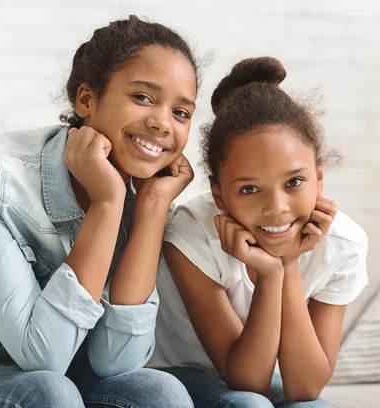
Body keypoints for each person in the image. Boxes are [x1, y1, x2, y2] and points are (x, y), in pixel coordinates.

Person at [0, 16, 199, 408]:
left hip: (51, 382)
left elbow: (118, 361)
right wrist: (107, 205)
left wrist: (152, 209)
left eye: (181, 112)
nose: (163, 123)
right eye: (143, 97)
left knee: (160, 393)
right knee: (47, 393)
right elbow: (44, 358)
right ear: (86, 100)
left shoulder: (144, 195)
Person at [150, 57, 368, 408]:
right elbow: (247, 381)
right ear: (219, 194)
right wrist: (269, 274)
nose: (277, 207)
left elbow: (306, 388)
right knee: (251, 405)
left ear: (319, 180)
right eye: (250, 189)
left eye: (295, 182)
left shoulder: (343, 245)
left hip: (263, 374)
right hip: (177, 374)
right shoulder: (191, 234)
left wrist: (290, 264)